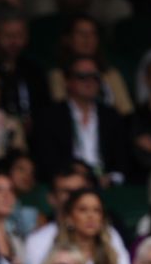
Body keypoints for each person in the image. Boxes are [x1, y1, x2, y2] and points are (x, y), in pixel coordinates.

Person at [32, 56, 127, 186]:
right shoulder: (50, 116)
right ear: (67, 81)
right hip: (67, 183)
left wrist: (111, 178)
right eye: (82, 76)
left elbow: (122, 160)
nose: (89, 81)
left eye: (95, 77)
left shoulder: (111, 116)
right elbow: (46, 160)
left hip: (106, 185)